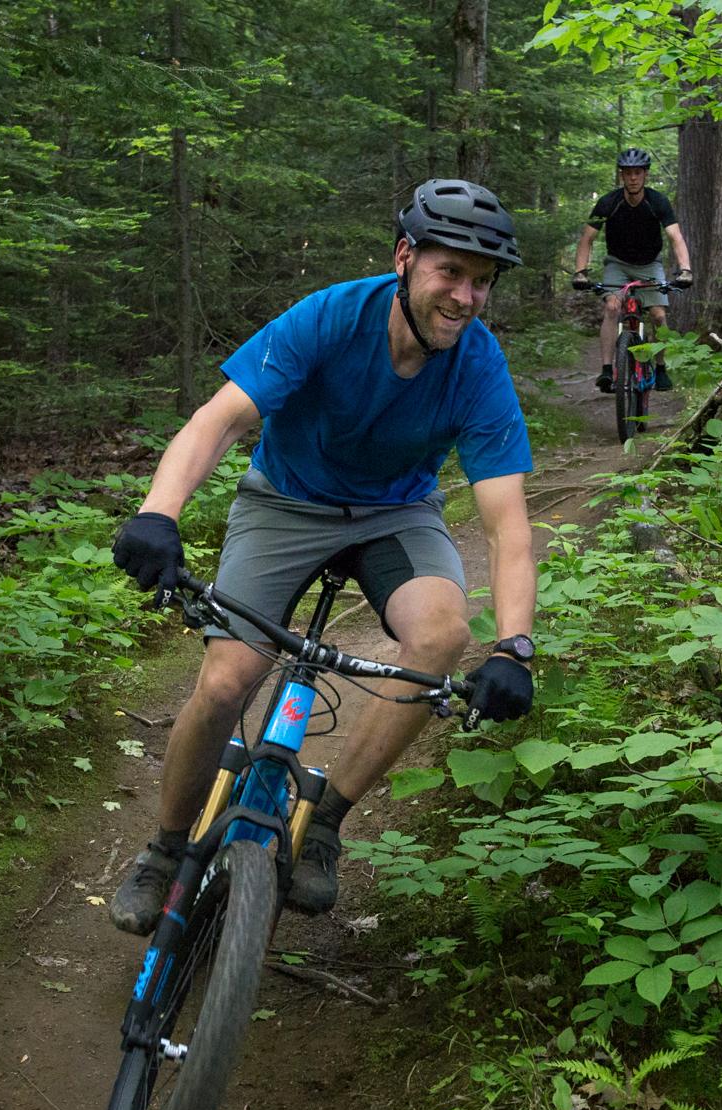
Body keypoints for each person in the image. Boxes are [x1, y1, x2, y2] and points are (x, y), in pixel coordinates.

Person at [106, 178, 540, 931]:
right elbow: (218, 421)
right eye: (450, 273)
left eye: (481, 282)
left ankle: (323, 825)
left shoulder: (477, 364)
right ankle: (165, 850)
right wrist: (157, 513)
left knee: (439, 636)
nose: (465, 297)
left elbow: (506, 523)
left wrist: (516, 647)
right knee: (225, 680)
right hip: (285, 503)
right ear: (404, 258)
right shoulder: (331, 317)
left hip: (394, 513)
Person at [572, 148, 694, 393]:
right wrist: (580, 272)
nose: (633, 178)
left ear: (645, 174)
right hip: (617, 263)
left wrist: (685, 270)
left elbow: (675, 237)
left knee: (658, 315)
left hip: (650, 265)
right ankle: (607, 370)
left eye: (637, 173)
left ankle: (660, 368)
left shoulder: (657, 201)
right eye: (628, 173)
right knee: (611, 307)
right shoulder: (608, 203)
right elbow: (587, 238)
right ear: (622, 176)